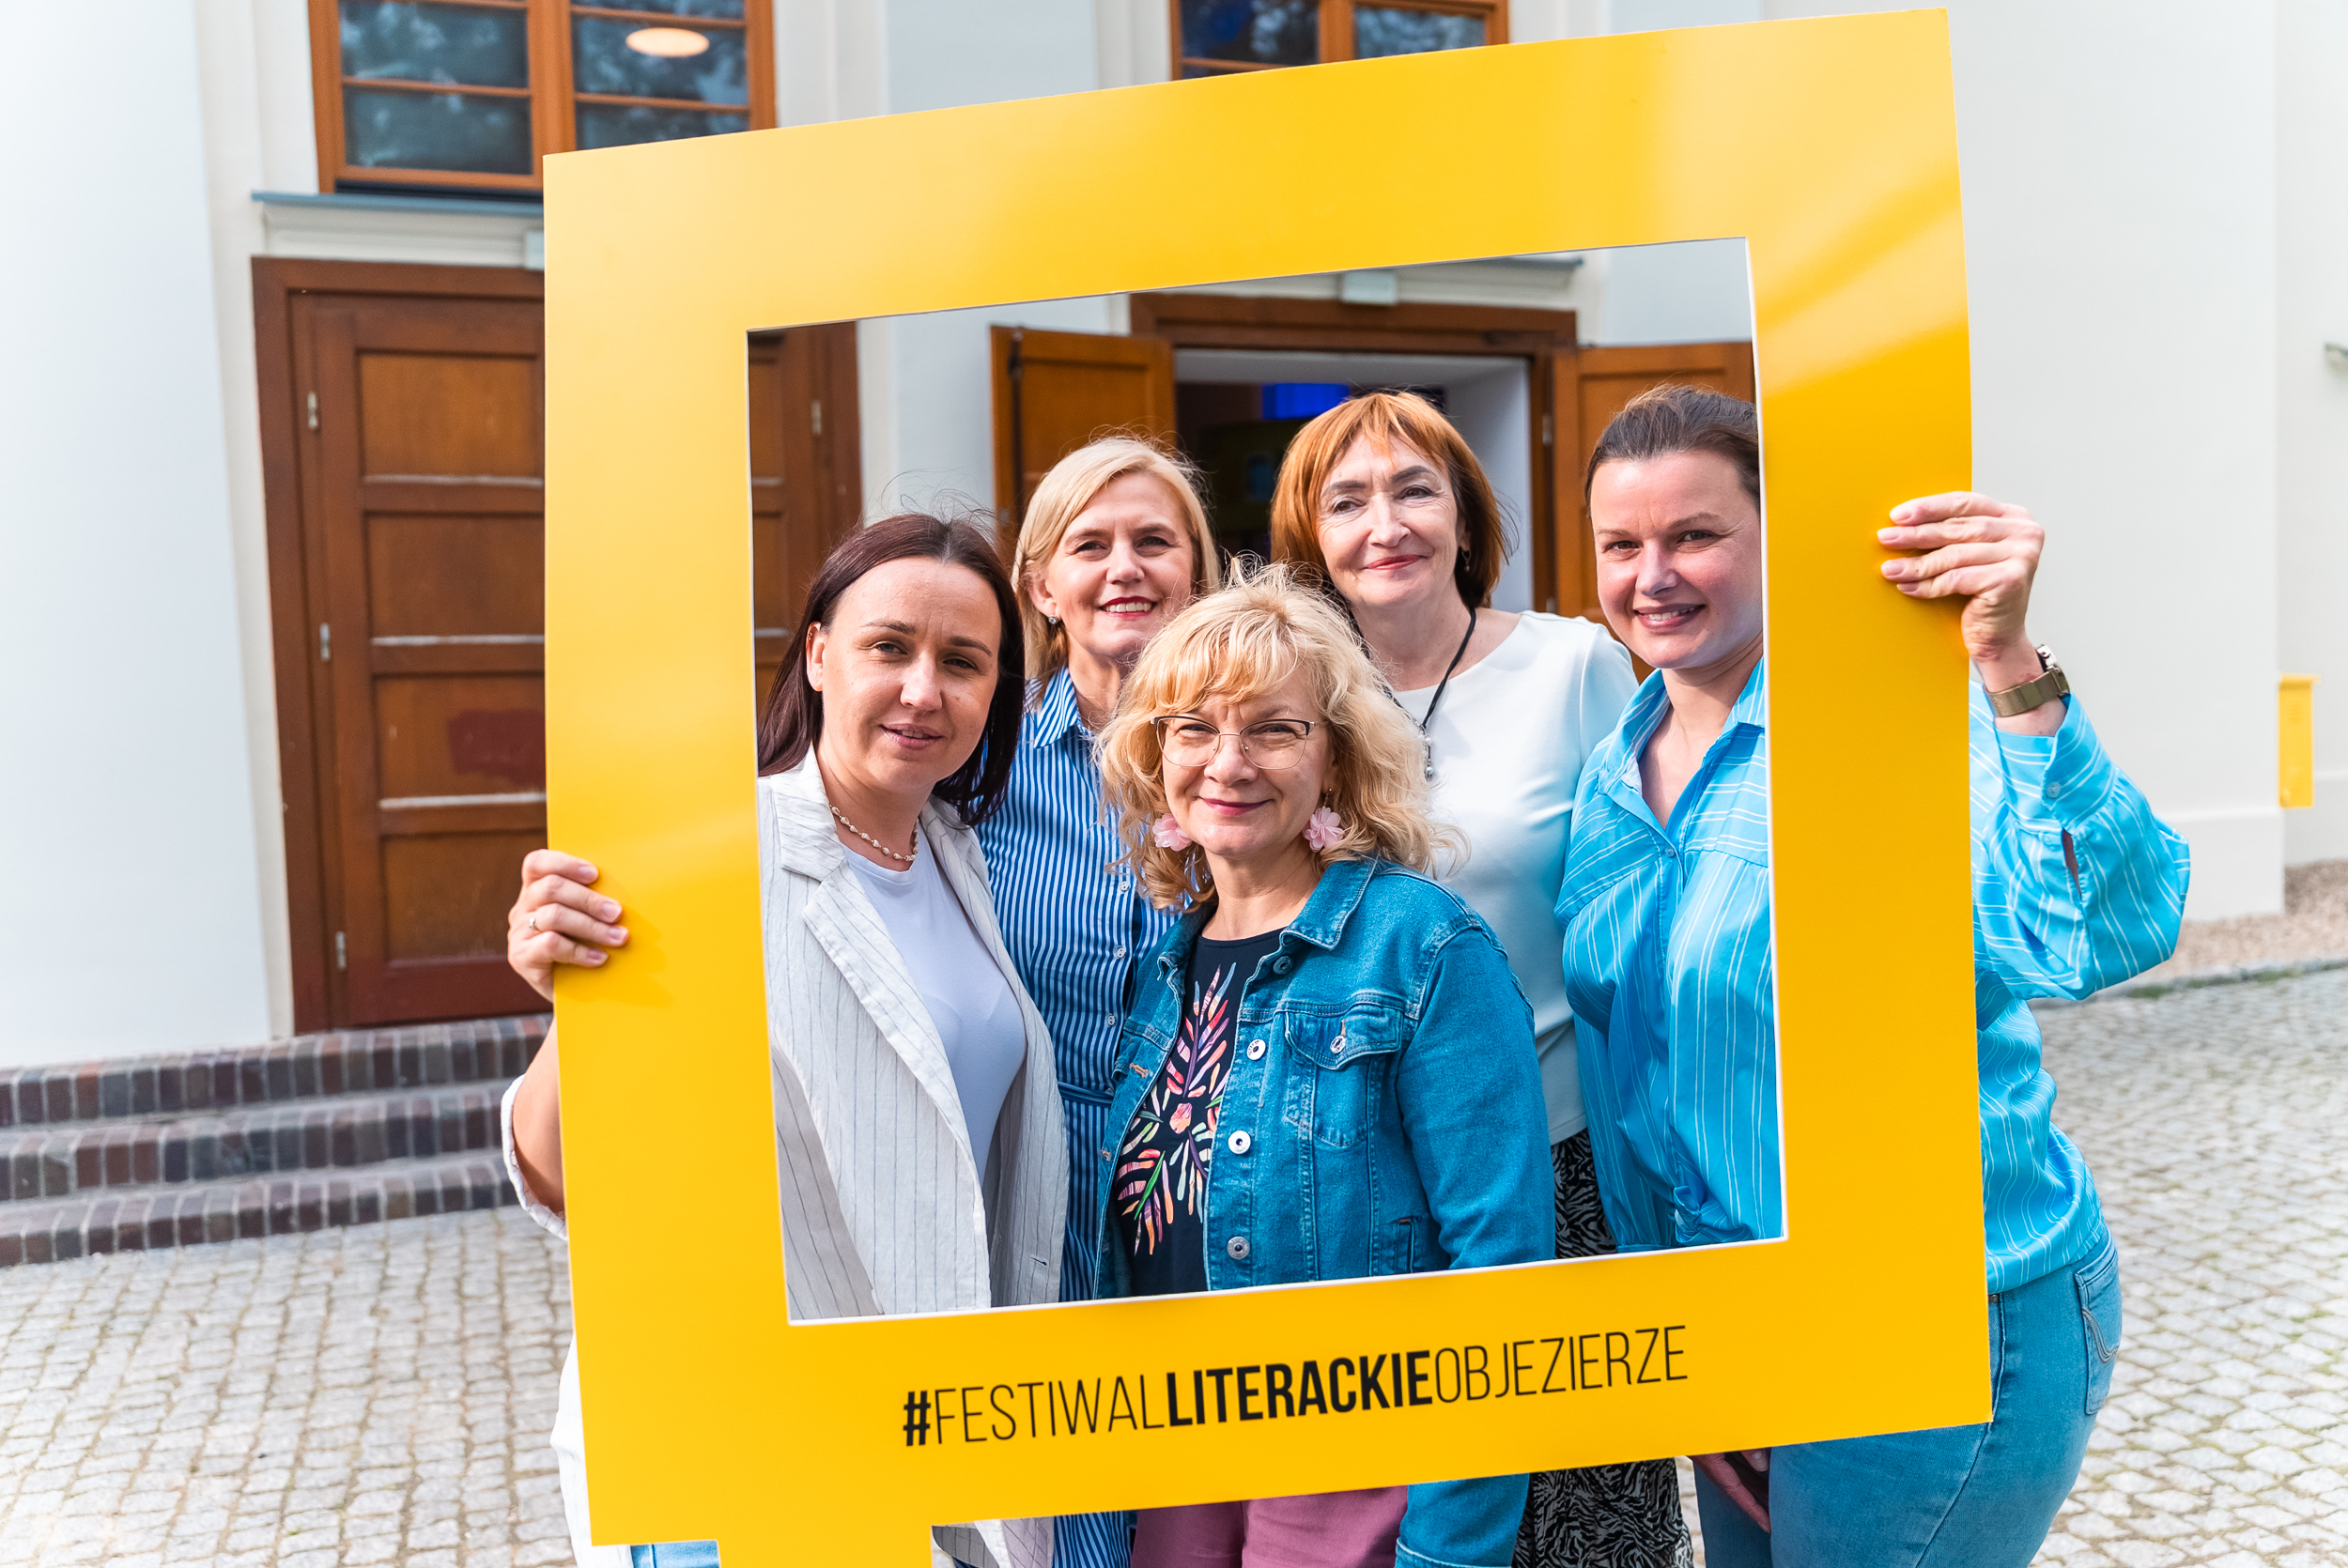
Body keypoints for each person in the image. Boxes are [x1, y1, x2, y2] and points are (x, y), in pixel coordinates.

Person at [1560, 385, 2188, 1567]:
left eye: (1695, 534)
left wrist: (2006, 658)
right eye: (1621, 544)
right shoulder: (1609, 769)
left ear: (1776, 540)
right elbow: (1633, 1075)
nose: (1653, 575)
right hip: (1746, 1320)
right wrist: (1694, 1337)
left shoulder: (1875, 729)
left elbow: (2097, 931)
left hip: (1941, 1312)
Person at [502, 513, 1069, 1568]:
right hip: (744, 1443)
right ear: (816, 652)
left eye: (963, 661)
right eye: (888, 646)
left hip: (924, 1424)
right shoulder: (709, 850)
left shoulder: (959, 856)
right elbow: (561, 1171)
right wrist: (579, 1009)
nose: (922, 689)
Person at [1268, 392, 1675, 1568]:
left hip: (1556, 1160)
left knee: (1587, 1511)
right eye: (1347, 500)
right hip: (1351, 1175)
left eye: (1414, 489)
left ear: (1463, 513)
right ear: (1309, 535)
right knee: (1385, 1517)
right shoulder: (1286, 694)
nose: (1384, 523)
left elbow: (1650, 889)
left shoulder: (1573, 664)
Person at [1090, 565, 1554, 1568]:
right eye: (1193, 728)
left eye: (1274, 728)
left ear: (1335, 758)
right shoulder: (1163, 971)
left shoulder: (1422, 946)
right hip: (1178, 1480)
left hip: (1362, 1482)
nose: (1229, 761)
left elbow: (1504, 1280)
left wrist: (1448, 1544)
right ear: (1156, 756)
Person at [984, 438, 1222, 1568]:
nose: (1124, 566)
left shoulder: (1263, 753)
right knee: (1069, 1497)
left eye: (1153, 541)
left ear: (1196, 571)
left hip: (1224, 1186)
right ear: (1041, 584)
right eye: (1090, 544)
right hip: (1046, 1181)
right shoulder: (977, 767)